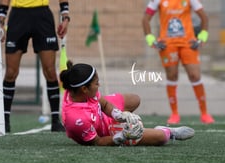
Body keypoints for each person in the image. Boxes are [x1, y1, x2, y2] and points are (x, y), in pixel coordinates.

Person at [0, 0, 69, 132]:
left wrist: (65, 15)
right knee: (11, 72)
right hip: (18, 17)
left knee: (50, 70)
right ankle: (5, 120)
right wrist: (1, 18)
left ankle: (56, 120)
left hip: (42, 17)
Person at [142, 0, 215, 125]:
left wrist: (202, 37)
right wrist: (151, 40)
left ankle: (204, 113)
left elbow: (204, 17)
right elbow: (145, 19)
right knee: (172, 76)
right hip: (168, 45)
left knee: (195, 75)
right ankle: (174, 114)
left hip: (188, 43)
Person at [60, 61, 195, 146]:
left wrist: (118, 115)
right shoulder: (77, 119)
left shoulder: (80, 91)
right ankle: (169, 132)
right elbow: (97, 142)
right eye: (96, 83)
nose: (99, 85)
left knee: (134, 99)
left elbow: (104, 104)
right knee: (160, 137)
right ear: (84, 89)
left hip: (100, 115)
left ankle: (126, 124)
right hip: (104, 133)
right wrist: (122, 136)